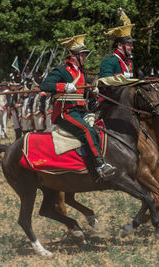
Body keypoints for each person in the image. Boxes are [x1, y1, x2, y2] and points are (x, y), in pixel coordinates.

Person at [40, 34, 115, 180]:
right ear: (74, 56)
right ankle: (100, 166)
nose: (85, 58)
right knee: (86, 130)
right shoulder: (61, 70)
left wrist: (92, 92)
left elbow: (83, 91)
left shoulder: (81, 72)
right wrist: (63, 86)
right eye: (82, 55)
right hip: (65, 112)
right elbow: (44, 85)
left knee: (99, 127)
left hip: (80, 111)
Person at [99, 8, 135, 79]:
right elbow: (106, 81)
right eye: (129, 45)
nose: (132, 47)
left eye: (132, 44)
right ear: (120, 45)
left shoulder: (129, 62)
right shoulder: (109, 61)